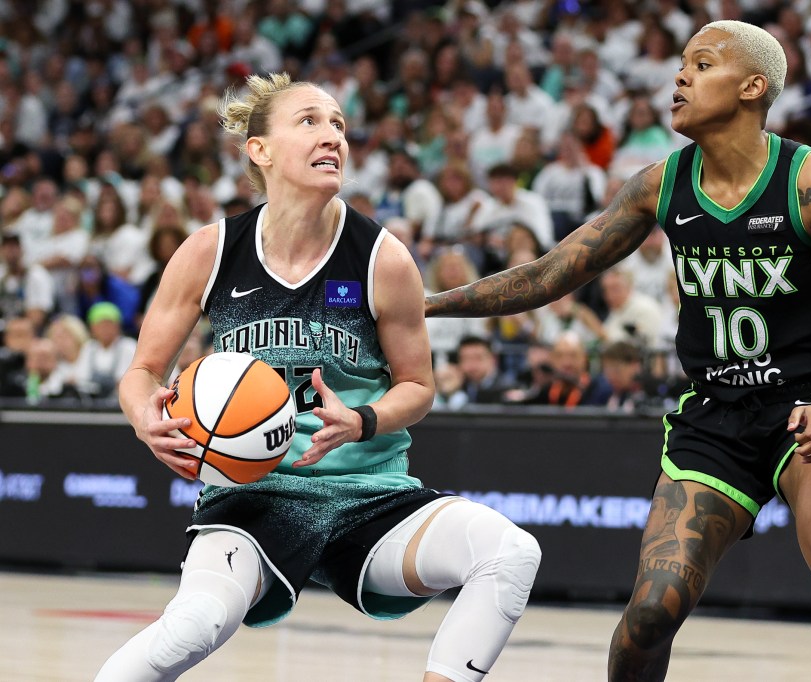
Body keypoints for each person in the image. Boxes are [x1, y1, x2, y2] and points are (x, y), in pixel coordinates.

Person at [426, 21, 811, 681]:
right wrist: (426, 303)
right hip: (714, 417)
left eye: (702, 63)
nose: (679, 76)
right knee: (650, 614)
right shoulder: (661, 184)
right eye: (681, 63)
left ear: (752, 87)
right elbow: (547, 277)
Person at [95, 73, 540, 682]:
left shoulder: (382, 256)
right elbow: (142, 372)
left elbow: (419, 386)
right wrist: (146, 418)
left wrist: (363, 419)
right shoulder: (211, 251)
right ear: (261, 149)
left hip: (369, 493)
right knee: (195, 622)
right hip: (251, 495)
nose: (332, 135)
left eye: (338, 124)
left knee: (511, 552)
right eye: (309, 121)